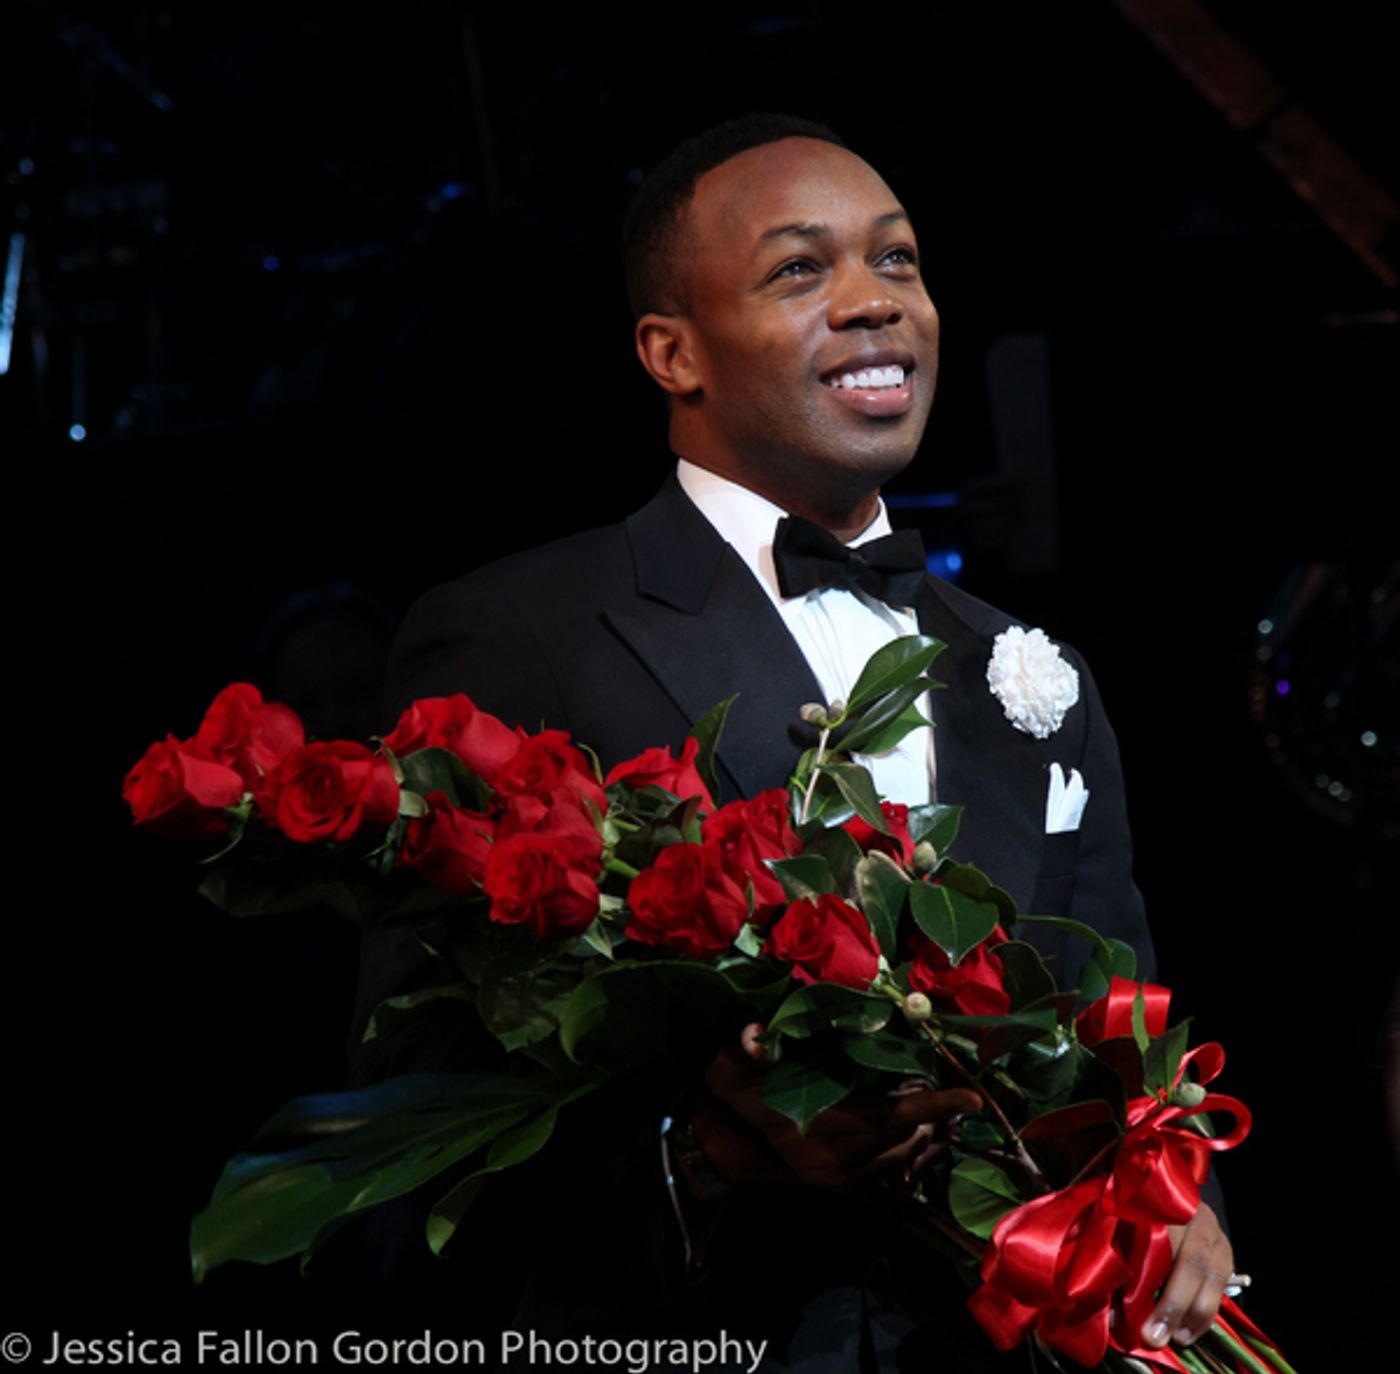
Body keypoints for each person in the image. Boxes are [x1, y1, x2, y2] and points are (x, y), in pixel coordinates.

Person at [357, 114, 1232, 1371]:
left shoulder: (1030, 673)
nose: (874, 301)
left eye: (897, 259)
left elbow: (1117, 1020)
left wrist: (1178, 1194)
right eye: (799, 268)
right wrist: (707, 1160)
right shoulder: (525, 637)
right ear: (672, 352)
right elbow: (416, 1103)